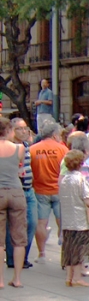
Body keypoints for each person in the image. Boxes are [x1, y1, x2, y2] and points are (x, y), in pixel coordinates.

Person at [29, 121, 68, 263]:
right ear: (55, 135)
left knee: (41, 223)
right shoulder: (63, 150)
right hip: (59, 190)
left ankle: (42, 254)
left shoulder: (33, 149)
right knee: (63, 223)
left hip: (40, 190)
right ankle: (65, 254)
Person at [59, 150, 89, 287]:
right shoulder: (81, 179)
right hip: (80, 220)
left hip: (68, 219)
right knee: (79, 249)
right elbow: (87, 200)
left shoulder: (64, 179)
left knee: (69, 249)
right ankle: (76, 278)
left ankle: (69, 277)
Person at [0, 117, 28, 289]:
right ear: (9, 131)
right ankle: (17, 278)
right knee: (19, 238)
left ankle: (0, 280)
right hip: (17, 193)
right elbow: (20, 168)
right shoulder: (19, 148)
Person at [5, 119, 36, 270]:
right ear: (12, 130)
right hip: (15, 190)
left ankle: (22, 256)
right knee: (12, 226)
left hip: (29, 189)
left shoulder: (26, 146)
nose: (24, 132)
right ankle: (13, 258)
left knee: (32, 223)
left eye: (26, 129)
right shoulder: (10, 148)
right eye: (20, 129)